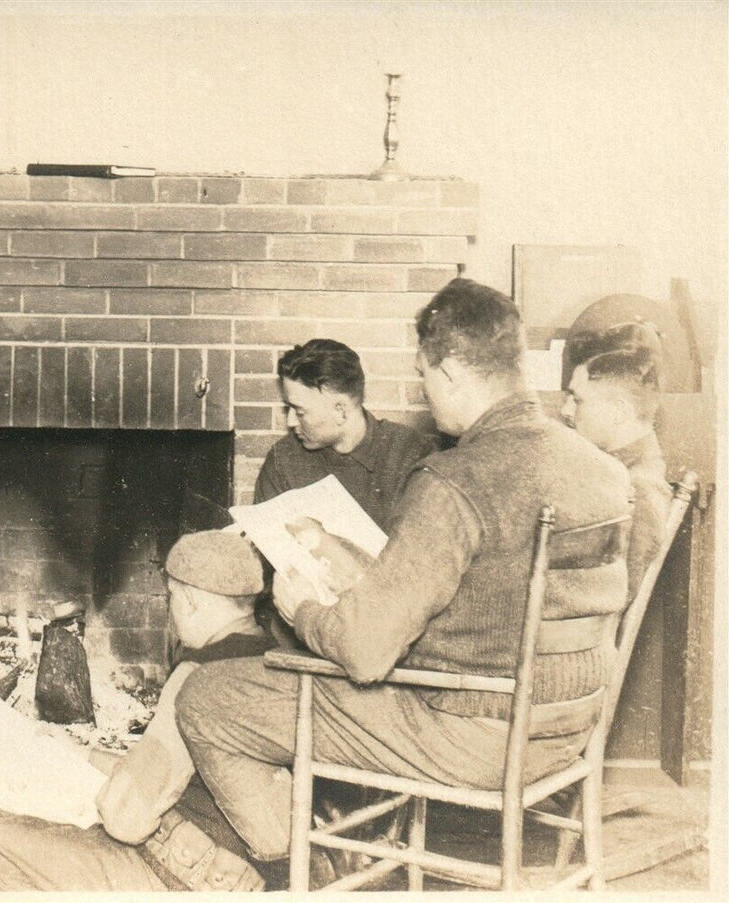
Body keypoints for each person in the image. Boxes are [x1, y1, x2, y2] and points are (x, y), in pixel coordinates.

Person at [174, 278, 632, 882]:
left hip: (470, 735)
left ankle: (305, 864)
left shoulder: (455, 481)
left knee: (206, 699)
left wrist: (304, 609)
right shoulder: (601, 469)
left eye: (422, 375)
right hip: (566, 730)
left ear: (449, 373)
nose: (423, 391)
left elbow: (363, 654)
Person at [0, 530, 268, 892]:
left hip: (181, 873)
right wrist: (78, 752)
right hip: (239, 864)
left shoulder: (197, 676)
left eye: (171, 598)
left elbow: (129, 817)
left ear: (189, 600)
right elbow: (178, 770)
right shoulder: (273, 658)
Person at [253, 339, 436, 642]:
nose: (289, 422)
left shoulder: (410, 455)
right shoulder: (282, 460)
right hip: (300, 629)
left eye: (299, 411)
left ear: (341, 409)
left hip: (384, 630)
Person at [561, 322, 672, 592]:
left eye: (577, 400)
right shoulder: (617, 473)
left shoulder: (639, 492)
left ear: (618, 412)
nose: (565, 410)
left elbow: (609, 606)